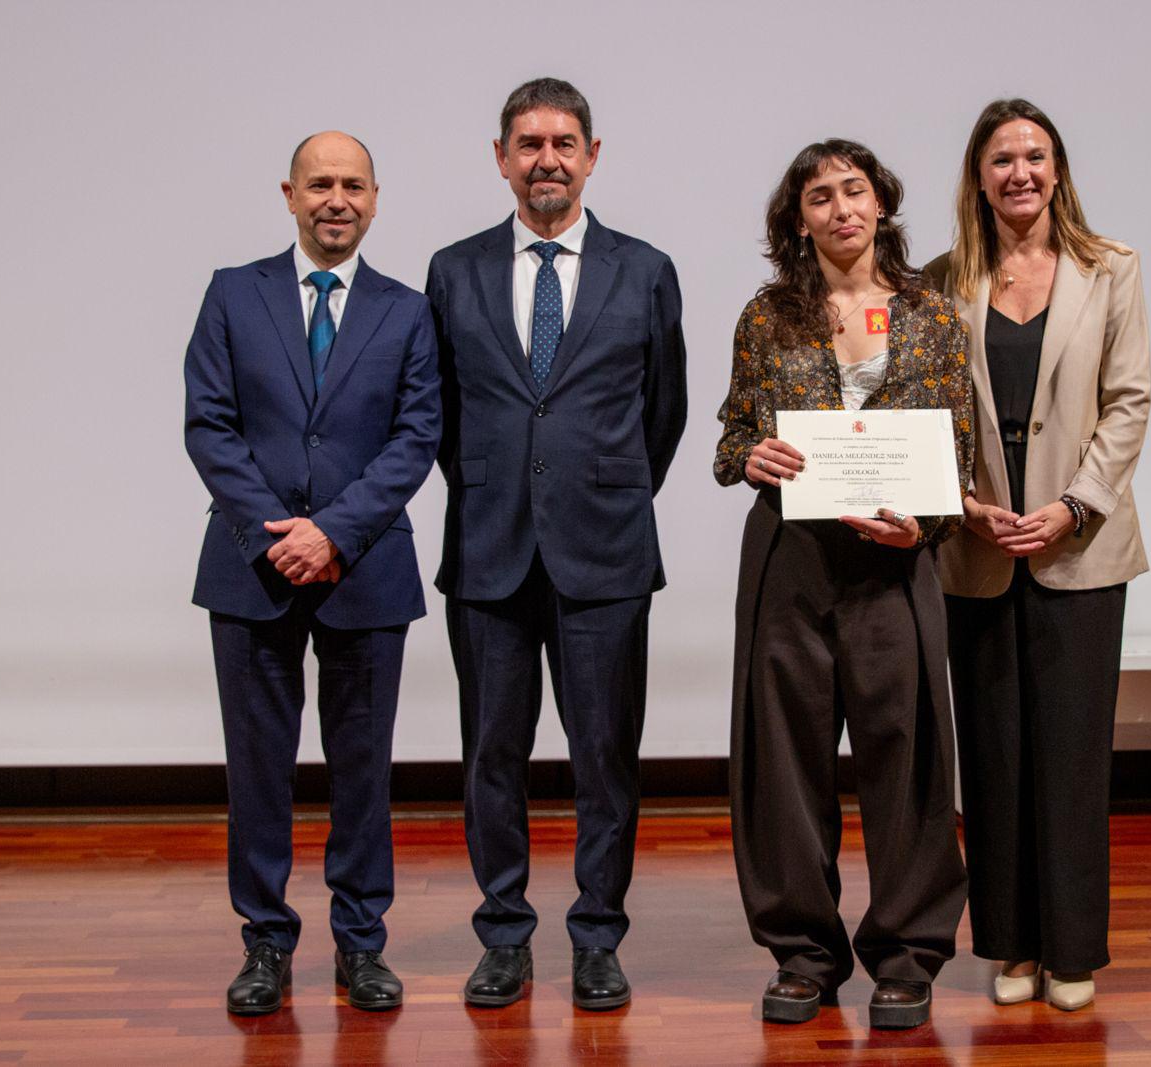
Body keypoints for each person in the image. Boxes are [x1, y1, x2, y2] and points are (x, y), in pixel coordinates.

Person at [424, 77, 687, 1012]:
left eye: (563, 142)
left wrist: (604, 491)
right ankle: (503, 934)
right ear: (501, 157)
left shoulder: (644, 268)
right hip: (489, 551)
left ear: (593, 155)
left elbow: (665, 412)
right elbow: (442, 415)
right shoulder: (452, 271)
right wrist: (502, 491)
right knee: (491, 754)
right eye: (528, 143)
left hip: (606, 554)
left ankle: (596, 938)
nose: (547, 159)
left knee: (605, 756)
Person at [714, 139, 972, 1030]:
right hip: (792, 559)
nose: (840, 208)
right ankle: (803, 953)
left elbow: (958, 449)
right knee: (785, 757)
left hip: (896, 561)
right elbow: (730, 436)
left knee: (907, 757)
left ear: (881, 205)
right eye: (818, 197)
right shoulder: (768, 316)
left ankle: (906, 953)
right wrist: (749, 455)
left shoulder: (934, 316)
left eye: (854, 190)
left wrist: (925, 524)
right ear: (799, 220)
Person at [184, 131, 440, 1015]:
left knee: (363, 770)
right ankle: (264, 942)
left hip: (363, 568)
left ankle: (361, 944)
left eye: (354, 185)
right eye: (319, 184)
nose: (337, 199)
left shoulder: (408, 311)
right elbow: (209, 426)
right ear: (288, 195)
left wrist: (331, 533)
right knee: (258, 769)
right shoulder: (232, 294)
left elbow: (417, 437)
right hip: (251, 570)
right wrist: (277, 537)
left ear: (376, 199)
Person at [924, 98, 1151, 1012]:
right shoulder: (942, 281)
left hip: (1081, 548)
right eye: (1002, 158)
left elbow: (1129, 401)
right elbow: (924, 412)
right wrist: (963, 505)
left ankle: (1072, 953)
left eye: (1036, 155)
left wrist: (1069, 506)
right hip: (978, 548)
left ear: (1057, 171)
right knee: (994, 752)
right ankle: (1011, 947)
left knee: (1071, 754)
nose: (1020, 171)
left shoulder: (1112, 270)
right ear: (977, 177)